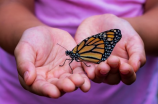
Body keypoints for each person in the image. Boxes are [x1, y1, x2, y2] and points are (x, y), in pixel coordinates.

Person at [0, 0, 157, 104]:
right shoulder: (75, 53)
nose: (70, 56)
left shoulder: (79, 51)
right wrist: (29, 34)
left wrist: (133, 33)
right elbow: (8, 6)